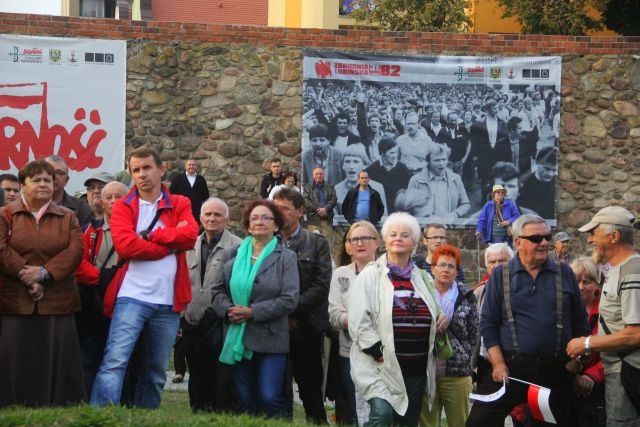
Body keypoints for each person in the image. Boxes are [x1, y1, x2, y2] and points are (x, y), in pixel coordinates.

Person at [90, 147, 199, 409]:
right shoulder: (123, 208)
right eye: (136, 170)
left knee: (156, 371)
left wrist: (151, 236)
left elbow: (190, 236)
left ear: (161, 170)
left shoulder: (180, 203)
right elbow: (127, 247)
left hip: (167, 301)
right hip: (132, 297)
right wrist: (172, 242)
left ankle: (145, 418)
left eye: (147, 168)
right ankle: (101, 418)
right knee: (115, 361)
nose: (142, 174)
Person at [467, 214, 589, 426]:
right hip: (511, 370)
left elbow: (580, 322)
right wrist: (497, 364)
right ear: (518, 242)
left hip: (555, 371)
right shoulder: (501, 275)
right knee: (478, 422)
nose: (543, 243)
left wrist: (576, 363)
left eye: (546, 237)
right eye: (536, 239)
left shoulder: (564, 274)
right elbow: (488, 323)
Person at [348, 212, 446, 426]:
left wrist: (440, 318)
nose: (398, 238)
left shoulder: (424, 277)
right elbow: (358, 320)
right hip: (381, 365)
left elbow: (434, 309)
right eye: (393, 234)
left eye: (405, 234)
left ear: (415, 243)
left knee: (407, 422)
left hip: (416, 367)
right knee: (382, 415)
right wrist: (377, 352)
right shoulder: (370, 274)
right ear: (385, 240)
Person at [0, 160, 84, 407]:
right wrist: (26, 275)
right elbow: (1, 247)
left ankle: (54, 406)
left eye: (48, 180)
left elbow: (75, 251)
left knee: (54, 359)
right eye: (36, 180)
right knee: (14, 357)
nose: (44, 184)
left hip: (57, 301)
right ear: (23, 184)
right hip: (15, 300)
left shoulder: (69, 217)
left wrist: (45, 274)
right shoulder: (5, 214)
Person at [211, 199, 299, 418]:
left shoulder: (286, 257)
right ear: (248, 226)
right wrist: (229, 309)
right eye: (254, 218)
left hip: (271, 339)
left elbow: (290, 298)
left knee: (270, 397)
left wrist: (253, 312)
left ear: (276, 226)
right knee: (244, 399)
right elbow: (217, 291)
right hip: (238, 337)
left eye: (266, 217)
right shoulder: (233, 254)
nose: (259, 221)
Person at [567, 206, 640, 426]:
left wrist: (586, 343)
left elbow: (635, 334)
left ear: (614, 236)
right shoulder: (620, 270)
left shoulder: (632, 272)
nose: (590, 240)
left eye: (594, 233)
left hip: (627, 373)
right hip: (619, 371)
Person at [273, 188, 332, 424]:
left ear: (299, 211)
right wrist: (280, 313)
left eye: (284, 208)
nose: (278, 213)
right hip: (273, 328)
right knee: (276, 391)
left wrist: (291, 309)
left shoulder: (316, 243)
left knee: (311, 391)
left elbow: (321, 284)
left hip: (306, 328)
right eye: (274, 208)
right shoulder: (266, 242)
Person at [184, 197, 242, 412]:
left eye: (217, 214)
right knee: (196, 373)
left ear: (227, 219)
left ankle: (219, 415)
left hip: (219, 322)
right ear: (200, 218)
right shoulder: (189, 244)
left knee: (220, 374)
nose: (212, 218)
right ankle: (198, 412)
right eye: (208, 214)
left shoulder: (238, 247)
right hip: (191, 319)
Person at [75, 180, 129, 397]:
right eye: (109, 198)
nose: (114, 202)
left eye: (119, 197)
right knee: (90, 355)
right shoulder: (90, 230)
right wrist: (101, 279)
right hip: (95, 301)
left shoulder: (138, 230)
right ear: (101, 202)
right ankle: (88, 398)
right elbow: (78, 261)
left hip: (125, 302)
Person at [420, 244, 478, 427]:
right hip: (425, 369)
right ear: (433, 268)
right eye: (442, 265)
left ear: (456, 271)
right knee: (427, 423)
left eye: (451, 266)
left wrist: (468, 360)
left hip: (457, 372)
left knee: (460, 422)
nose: (446, 269)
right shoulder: (422, 293)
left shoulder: (467, 295)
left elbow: (474, 335)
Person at [328, 221, 378, 425]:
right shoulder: (340, 275)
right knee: (354, 408)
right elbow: (334, 313)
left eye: (365, 238)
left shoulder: (386, 273)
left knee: (380, 408)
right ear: (348, 245)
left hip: (382, 352)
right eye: (354, 239)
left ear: (376, 243)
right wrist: (357, 321)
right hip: (349, 351)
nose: (359, 243)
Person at [568, 257, 606, 427]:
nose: (581, 287)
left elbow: (616, 347)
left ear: (596, 284)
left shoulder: (608, 309)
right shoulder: (561, 309)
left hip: (599, 386)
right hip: (568, 382)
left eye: (587, 281)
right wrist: (573, 375)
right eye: (576, 281)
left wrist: (592, 375)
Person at [472, 243, 515, 385]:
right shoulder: (479, 292)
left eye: (502, 261)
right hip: (484, 361)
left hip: (512, 362)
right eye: (492, 262)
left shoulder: (520, 290)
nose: (497, 265)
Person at [404, 144, 470, 220]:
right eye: (437, 160)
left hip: (449, 228)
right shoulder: (415, 181)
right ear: (429, 161)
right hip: (425, 228)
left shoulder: (455, 178)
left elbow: (465, 204)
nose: (441, 164)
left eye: (444, 159)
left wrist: (454, 214)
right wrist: (425, 218)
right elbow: (408, 209)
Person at [334, 144, 387, 219]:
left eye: (356, 161)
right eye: (347, 161)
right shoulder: (336, 190)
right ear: (343, 165)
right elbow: (334, 223)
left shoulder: (377, 188)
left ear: (364, 165)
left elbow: (383, 221)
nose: (351, 166)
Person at [364, 136, 412, 214]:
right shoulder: (371, 170)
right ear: (382, 153)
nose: (394, 156)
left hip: (399, 212)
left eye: (396, 152)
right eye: (391, 153)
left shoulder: (403, 169)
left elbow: (407, 192)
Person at [45, 155, 92, 229]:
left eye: (59, 173)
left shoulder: (80, 207)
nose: (53, 176)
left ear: (66, 180)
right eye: (49, 172)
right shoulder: (31, 204)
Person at [518, 146, 558, 220]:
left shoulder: (558, 184)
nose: (550, 174)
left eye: (554, 170)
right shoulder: (522, 183)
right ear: (536, 162)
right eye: (546, 169)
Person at [303, 166, 338, 247]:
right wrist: (318, 210)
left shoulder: (330, 186)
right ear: (313, 176)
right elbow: (305, 201)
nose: (318, 176)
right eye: (316, 174)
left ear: (324, 175)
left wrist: (325, 209)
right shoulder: (307, 187)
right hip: (313, 221)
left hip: (327, 220)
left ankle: (328, 260)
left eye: (320, 174)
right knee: (312, 245)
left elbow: (334, 200)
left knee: (328, 245)